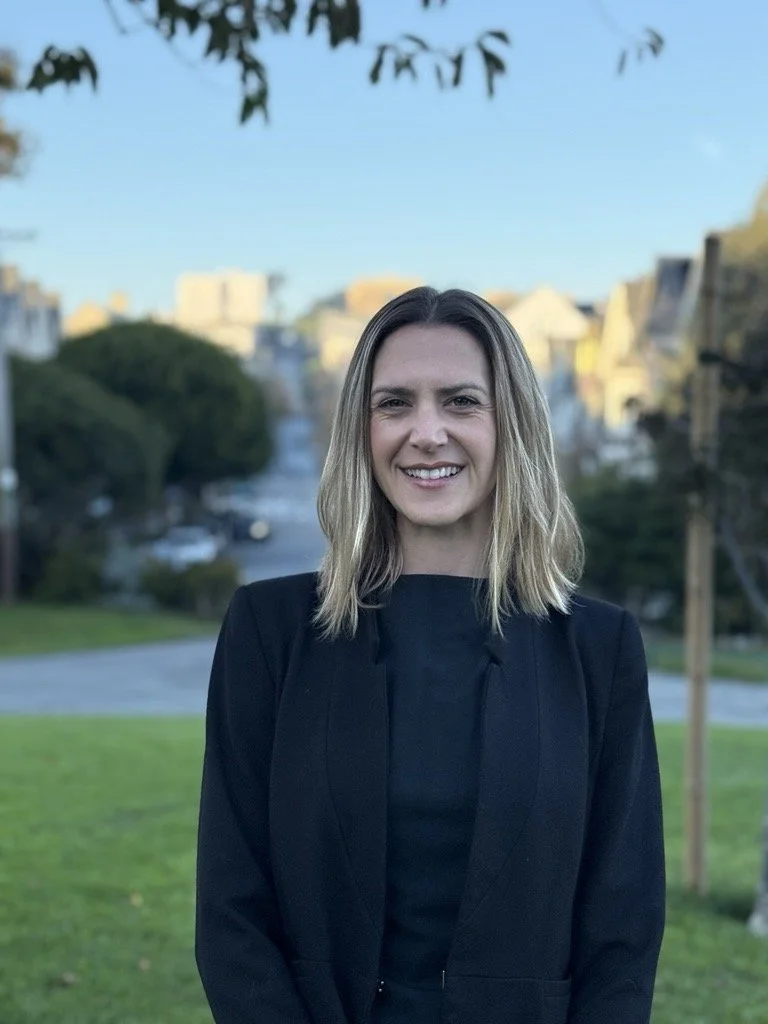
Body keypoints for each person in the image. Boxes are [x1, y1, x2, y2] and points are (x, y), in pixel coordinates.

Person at [195, 286, 666, 1024]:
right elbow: (231, 909)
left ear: (512, 426)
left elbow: (623, 930)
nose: (426, 433)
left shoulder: (597, 650)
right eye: (394, 404)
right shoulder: (271, 631)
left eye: (461, 402)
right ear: (361, 431)